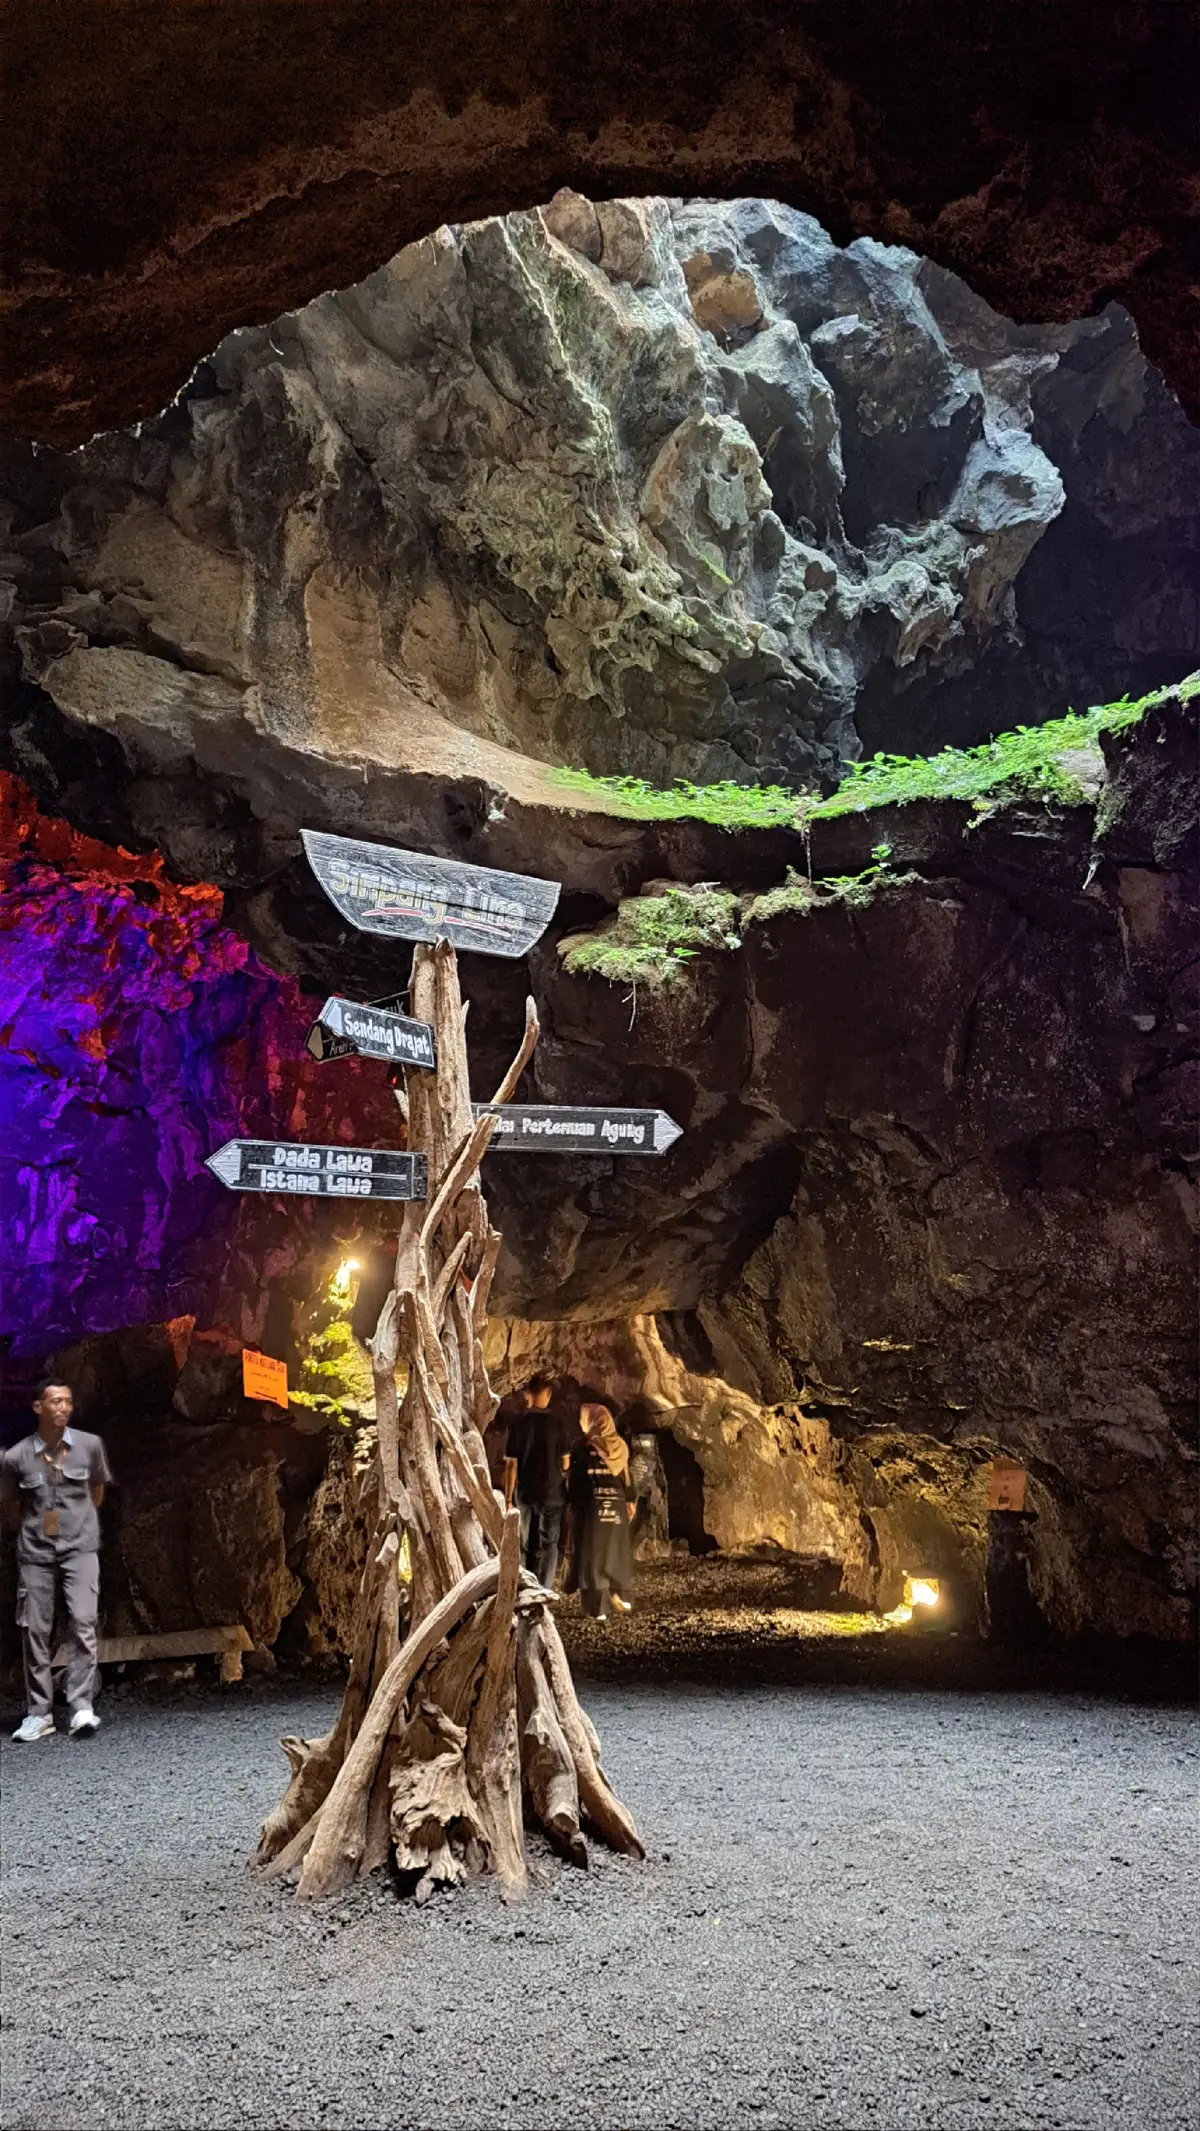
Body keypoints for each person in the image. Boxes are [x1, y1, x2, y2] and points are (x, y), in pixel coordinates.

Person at [0, 1378, 112, 1741]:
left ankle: (81, 1707)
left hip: (79, 1548)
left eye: (68, 1401)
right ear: (38, 1407)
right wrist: (34, 1532)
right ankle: (39, 1713)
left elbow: (96, 1493)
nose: (63, 1408)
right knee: (35, 1629)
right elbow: (10, 1508)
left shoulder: (89, 1446)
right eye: (55, 1402)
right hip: (35, 1552)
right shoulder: (16, 1456)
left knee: (82, 1620)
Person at [504, 1376, 577, 1590]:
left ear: (529, 1394)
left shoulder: (517, 1424)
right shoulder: (558, 1424)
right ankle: (544, 1589)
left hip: (526, 1493)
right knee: (550, 1543)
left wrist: (509, 1498)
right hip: (553, 1492)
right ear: (546, 1395)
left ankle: (527, 1586)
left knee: (527, 1543)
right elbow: (565, 1462)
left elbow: (511, 1465)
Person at [567, 1395, 635, 1621]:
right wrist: (630, 1501)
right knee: (615, 1551)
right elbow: (627, 1477)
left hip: (592, 1508)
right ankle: (621, 1593)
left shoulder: (582, 1449)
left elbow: (576, 1481)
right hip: (616, 1507)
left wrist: (572, 1506)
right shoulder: (620, 1446)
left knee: (592, 1556)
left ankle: (597, 1608)